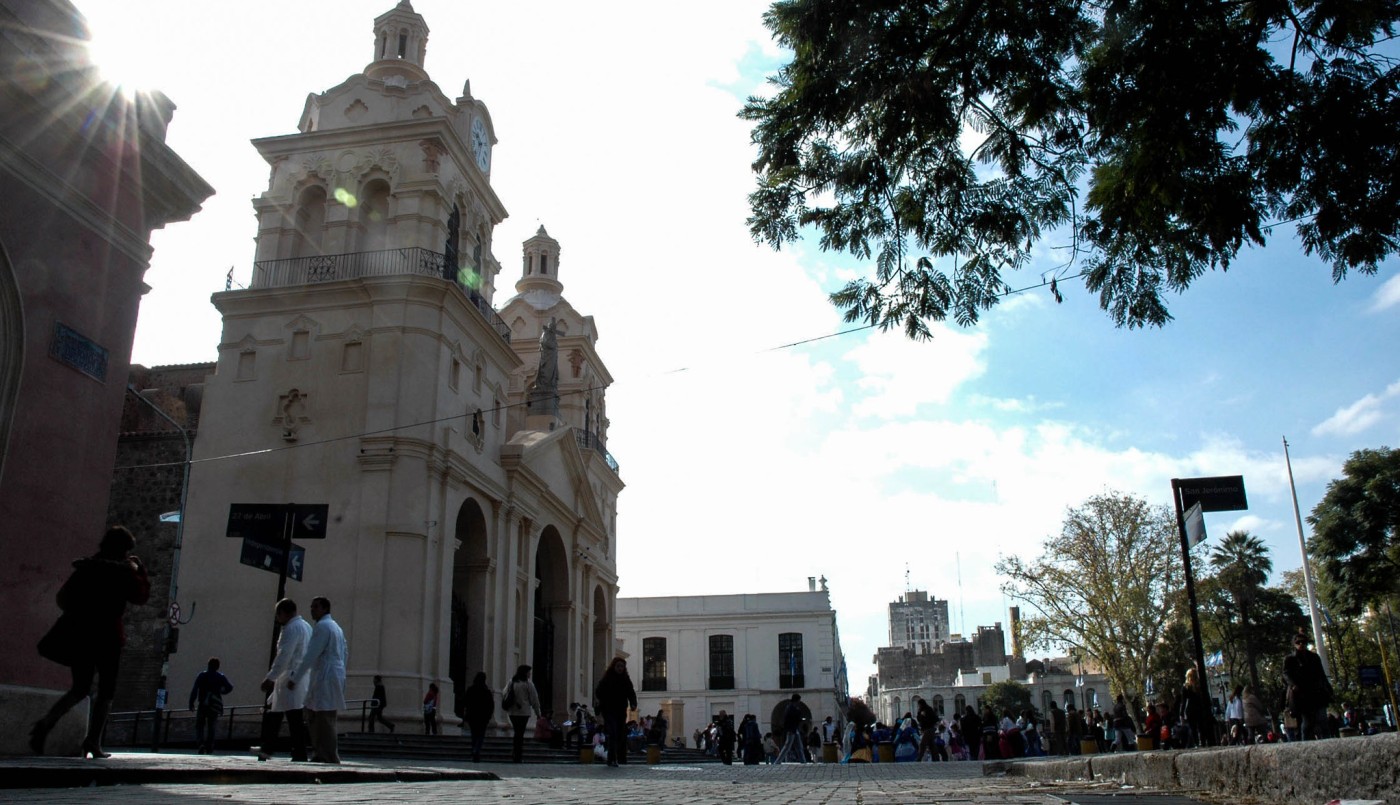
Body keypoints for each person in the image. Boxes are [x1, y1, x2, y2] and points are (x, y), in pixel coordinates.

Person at [30, 526, 151, 758]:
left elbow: (62, 598)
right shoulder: (122, 572)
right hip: (108, 637)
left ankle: (46, 723)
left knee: (80, 687)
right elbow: (140, 596)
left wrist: (80, 613)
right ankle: (93, 742)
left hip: (81, 634)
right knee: (106, 691)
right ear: (123, 549)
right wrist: (140, 571)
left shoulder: (87, 567)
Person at [288, 596, 347, 763]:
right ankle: (327, 752)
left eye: (315, 607)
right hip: (335, 674)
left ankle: (324, 753)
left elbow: (311, 655)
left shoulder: (322, 627)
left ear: (324, 609)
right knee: (326, 715)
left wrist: (296, 678)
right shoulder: (336, 627)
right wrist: (341, 672)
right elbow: (345, 651)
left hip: (325, 675)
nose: (312, 610)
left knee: (321, 716)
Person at [257, 598, 311, 762]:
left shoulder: (291, 628)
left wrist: (271, 677)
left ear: (283, 613)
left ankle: (296, 751)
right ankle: (270, 748)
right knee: (282, 713)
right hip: (300, 675)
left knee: (291, 715)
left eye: (278, 614)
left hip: (290, 675)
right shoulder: (306, 626)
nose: (277, 618)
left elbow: (284, 655)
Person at [1283, 629, 1333, 740]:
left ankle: (1327, 741)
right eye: (1298, 642)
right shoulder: (1290, 659)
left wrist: (1327, 688)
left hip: (1317, 692)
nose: (1301, 644)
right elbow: (1286, 674)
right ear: (1294, 644)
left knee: (1323, 720)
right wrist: (1293, 685)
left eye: (1303, 642)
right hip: (1302, 694)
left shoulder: (1314, 657)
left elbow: (1321, 673)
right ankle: (1305, 743)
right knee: (1307, 723)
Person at [593, 657, 637, 767]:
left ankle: (617, 757)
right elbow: (598, 691)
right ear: (614, 667)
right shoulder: (607, 678)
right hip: (609, 710)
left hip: (621, 711)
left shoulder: (626, 680)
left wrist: (633, 703)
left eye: (622, 666)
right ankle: (612, 758)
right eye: (618, 666)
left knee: (619, 734)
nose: (620, 668)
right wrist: (603, 700)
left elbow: (631, 692)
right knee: (613, 732)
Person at [188, 657, 233, 754]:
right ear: (218, 667)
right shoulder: (220, 677)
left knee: (200, 725)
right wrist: (222, 691)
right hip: (214, 705)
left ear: (208, 665)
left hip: (203, 703)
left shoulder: (202, 675)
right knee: (211, 726)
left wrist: (191, 702)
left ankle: (200, 743)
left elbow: (195, 689)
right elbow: (230, 687)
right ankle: (209, 746)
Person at [502, 664, 542, 763]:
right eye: (528, 672)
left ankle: (515, 752)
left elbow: (504, 693)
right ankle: (518, 755)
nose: (529, 674)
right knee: (520, 733)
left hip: (512, 712)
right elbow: (534, 699)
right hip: (524, 712)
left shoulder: (511, 682)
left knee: (517, 732)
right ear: (525, 673)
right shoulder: (528, 684)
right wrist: (538, 713)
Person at [461, 671, 494, 762]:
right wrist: (489, 716)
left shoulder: (471, 690)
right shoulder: (486, 691)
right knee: (481, 735)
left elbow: (465, 702)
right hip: (483, 717)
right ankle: (477, 750)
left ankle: (474, 748)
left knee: (474, 734)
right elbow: (491, 705)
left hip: (472, 716)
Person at [1177, 666, 1211, 747]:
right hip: (1200, 708)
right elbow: (1206, 696)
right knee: (1201, 726)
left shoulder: (1186, 687)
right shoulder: (1200, 685)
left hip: (1190, 709)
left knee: (1193, 727)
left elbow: (1183, 701)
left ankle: (1197, 743)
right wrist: (1209, 706)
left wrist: (1181, 713)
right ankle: (1203, 741)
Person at [776, 693, 808, 763]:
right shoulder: (791, 708)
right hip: (791, 729)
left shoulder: (790, 707)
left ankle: (803, 761)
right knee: (788, 746)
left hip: (794, 729)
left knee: (799, 746)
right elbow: (791, 718)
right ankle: (778, 761)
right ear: (797, 700)